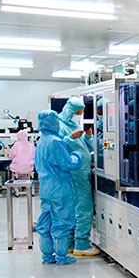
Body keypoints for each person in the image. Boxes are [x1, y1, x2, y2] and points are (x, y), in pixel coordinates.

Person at [35, 110, 82, 265]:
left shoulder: (41, 141)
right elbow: (66, 164)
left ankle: (47, 256)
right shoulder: (55, 142)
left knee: (45, 222)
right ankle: (62, 256)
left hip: (45, 188)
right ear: (54, 123)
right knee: (62, 222)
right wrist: (77, 157)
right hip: (59, 189)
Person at [58, 97, 99, 256]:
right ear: (69, 110)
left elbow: (87, 146)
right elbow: (58, 148)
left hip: (81, 172)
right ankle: (81, 244)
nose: (79, 116)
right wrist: (71, 138)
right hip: (75, 174)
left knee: (73, 208)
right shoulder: (60, 127)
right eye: (77, 112)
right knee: (83, 208)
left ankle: (70, 243)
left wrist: (88, 137)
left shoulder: (75, 125)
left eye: (82, 113)